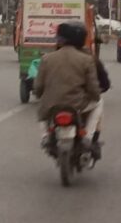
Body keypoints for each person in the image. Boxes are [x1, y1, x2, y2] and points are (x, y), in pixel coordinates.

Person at [33, 22, 104, 157]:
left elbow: (38, 88)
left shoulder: (46, 59)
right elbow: (94, 89)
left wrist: (40, 95)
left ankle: (45, 137)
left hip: (52, 106)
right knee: (99, 103)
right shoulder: (86, 59)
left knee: (41, 108)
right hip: (77, 105)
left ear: (60, 40)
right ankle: (87, 137)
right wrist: (95, 96)